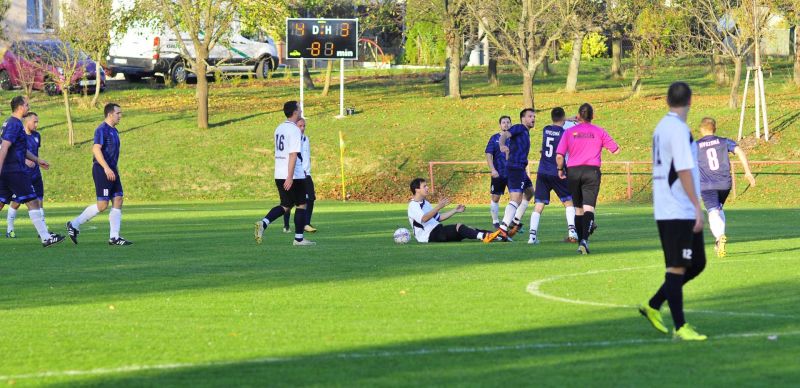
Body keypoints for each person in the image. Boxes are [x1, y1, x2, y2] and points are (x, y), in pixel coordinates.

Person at [639, 81, 708, 341]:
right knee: (677, 267)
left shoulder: (662, 127)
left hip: (673, 208)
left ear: (667, 101)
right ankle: (681, 327)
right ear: (691, 100)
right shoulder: (677, 129)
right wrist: (696, 206)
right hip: (677, 209)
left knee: (697, 263)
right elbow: (682, 169)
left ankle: (654, 304)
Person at [555, 103, 620, 254]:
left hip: (573, 172)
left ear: (578, 116)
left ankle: (580, 242)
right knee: (589, 207)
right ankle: (584, 240)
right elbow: (615, 150)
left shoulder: (569, 132)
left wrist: (560, 169)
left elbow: (559, 156)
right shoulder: (599, 131)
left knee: (578, 209)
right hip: (592, 171)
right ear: (593, 116)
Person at [0, 96, 64, 247]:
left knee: (1, 202)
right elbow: (4, 147)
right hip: (15, 171)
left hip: (9, 171)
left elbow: (19, 148)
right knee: (33, 201)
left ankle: (46, 237)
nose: (28, 107)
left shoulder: (9, 122)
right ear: (21, 107)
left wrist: (37, 160)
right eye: (27, 105)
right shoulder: (15, 124)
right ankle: (46, 238)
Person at [66, 103, 132, 246]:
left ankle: (114, 237)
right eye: (118, 113)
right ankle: (74, 224)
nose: (120, 116)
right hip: (102, 170)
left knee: (118, 199)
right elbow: (96, 149)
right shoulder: (102, 130)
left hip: (112, 170)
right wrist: (107, 168)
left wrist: (113, 168)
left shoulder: (115, 131)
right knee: (102, 205)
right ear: (110, 114)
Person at [254, 101, 315, 246]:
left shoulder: (279, 128)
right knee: (301, 205)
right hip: (293, 175)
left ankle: (263, 223)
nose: (300, 110)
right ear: (295, 112)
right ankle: (298, 239)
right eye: (299, 108)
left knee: (286, 205)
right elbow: (293, 154)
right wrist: (290, 176)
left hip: (278, 173)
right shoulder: (294, 130)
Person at [696, 117, 756, 258]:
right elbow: (740, 151)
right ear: (714, 129)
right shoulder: (724, 141)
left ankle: (719, 237)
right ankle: (719, 240)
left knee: (712, 212)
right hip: (725, 184)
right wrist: (747, 171)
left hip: (707, 185)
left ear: (701, 129)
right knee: (718, 208)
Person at [483, 108, 536, 243]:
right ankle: (503, 228)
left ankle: (514, 221)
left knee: (530, 192)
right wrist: (501, 145)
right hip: (515, 167)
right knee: (516, 198)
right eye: (530, 116)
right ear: (523, 118)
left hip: (520, 168)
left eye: (534, 116)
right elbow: (505, 135)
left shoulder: (525, 132)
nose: (533, 119)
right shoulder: (519, 127)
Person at [528, 107, 578, 245]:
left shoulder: (545, 129)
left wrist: (567, 118)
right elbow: (563, 153)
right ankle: (572, 232)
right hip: (557, 171)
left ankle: (532, 237)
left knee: (539, 204)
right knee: (568, 202)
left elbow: (557, 122)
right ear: (563, 118)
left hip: (542, 171)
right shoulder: (565, 133)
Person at [407, 178, 491, 243]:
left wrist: (455, 210)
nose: (427, 188)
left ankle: (496, 235)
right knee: (459, 227)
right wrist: (439, 206)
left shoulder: (426, 203)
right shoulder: (413, 205)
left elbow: (438, 218)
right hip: (429, 235)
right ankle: (484, 237)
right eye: (424, 186)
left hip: (438, 230)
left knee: (468, 229)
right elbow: (424, 219)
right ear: (417, 189)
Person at [5, 112, 45, 238]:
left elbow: (34, 152)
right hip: (22, 174)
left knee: (39, 201)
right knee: (16, 202)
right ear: (27, 121)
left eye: (37, 121)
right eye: (35, 122)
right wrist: (25, 161)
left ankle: (43, 231)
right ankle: (10, 228)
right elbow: (13, 151)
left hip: (36, 174)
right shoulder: (19, 134)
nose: (37, 124)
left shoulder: (37, 136)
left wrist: (38, 161)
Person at [282, 118, 317, 233]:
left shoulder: (306, 139)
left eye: (304, 126)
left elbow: (307, 156)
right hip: (297, 175)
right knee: (291, 202)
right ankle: (286, 225)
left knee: (310, 199)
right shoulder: (293, 140)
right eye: (300, 126)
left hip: (307, 174)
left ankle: (306, 223)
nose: (302, 128)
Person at [485, 115, 511, 229]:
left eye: (508, 122)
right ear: (500, 125)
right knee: (495, 197)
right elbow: (488, 154)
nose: (506, 124)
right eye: (503, 122)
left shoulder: (514, 138)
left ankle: (510, 222)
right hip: (498, 173)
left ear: (511, 124)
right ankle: (495, 221)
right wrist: (493, 170)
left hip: (512, 173)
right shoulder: (494, 138)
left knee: (517, 197)